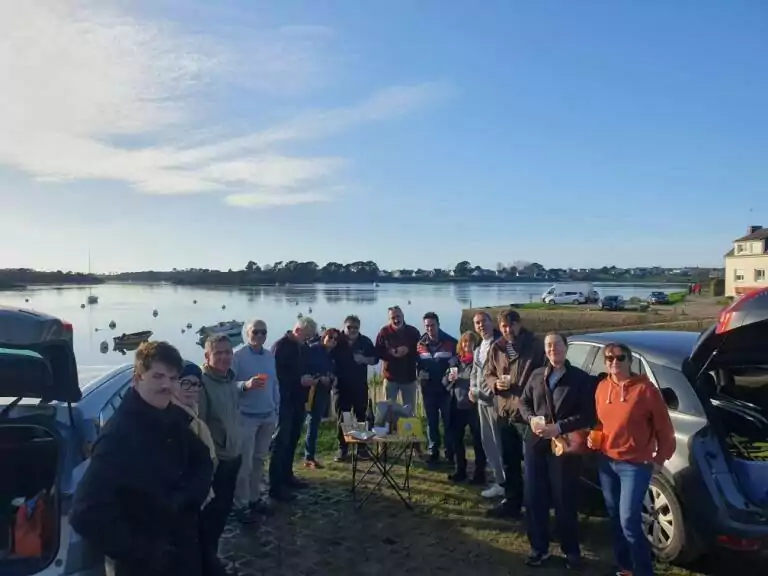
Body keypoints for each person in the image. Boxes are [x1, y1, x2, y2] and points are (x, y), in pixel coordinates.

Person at [70, 341, 213, 576]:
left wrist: (185, 499)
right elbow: (84, 512)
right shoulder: (118, 436)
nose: (166, 385)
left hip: (185, 549)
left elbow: (202, 459)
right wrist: (145, 551)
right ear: (137, 379)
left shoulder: (171, 418)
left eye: (173, 378)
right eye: (157, 376)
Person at [589, 342, 676, 576]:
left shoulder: (646, 390)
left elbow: (665, 429)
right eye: (609, 358)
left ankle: (644, 571)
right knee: (615, 517)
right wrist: (595, 436)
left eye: (620, 358)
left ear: (629, 361)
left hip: (635, 465)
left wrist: (660, 459)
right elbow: (602, 423)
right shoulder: (602, 388)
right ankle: (625, 568)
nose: (614, 362)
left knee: (628, 520)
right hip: (607, 462)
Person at [519, 333, 597, 569]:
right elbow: (523, 402)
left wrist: (560, 427)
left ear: (566, 347)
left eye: (557, 345)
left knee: (565, 498)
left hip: (565, 445)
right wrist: (531, 419)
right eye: (549, 345)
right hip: (536, 444)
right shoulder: (536, 375)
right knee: (534, 497)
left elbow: (588, 415)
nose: (553, 349)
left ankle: (571, 551)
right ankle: (539, 548)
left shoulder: (580, 379)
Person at [485, 308, 545, 519]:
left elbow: (543, 373)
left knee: (531, 465)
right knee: (509, 462)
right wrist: (495, 384)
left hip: (527, 414)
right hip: (504, 412)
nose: (508, 330)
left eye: (512, 325)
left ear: (519, 324)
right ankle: (512, 503)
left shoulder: (535, 346)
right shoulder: (497, 347)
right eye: (504, 326)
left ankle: (534, 507)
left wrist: (528, 390)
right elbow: (488, 373)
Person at [198, 335, 242, 576]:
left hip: (234, 456)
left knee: (223, 512)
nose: (225, 357)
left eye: (228, 352)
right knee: (210, 518)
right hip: (217, 463)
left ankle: (211, 557)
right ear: (207, 356)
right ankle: (207, 564)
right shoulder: (203, 384)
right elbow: (200, 427)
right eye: (218, 353)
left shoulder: (229, 379)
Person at [231, 320, 279, 523]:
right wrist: (246, 384)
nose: (260, 336)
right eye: (255, 332)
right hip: (246, 418)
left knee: (259, 461)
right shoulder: (237, 356)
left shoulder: (269, 356)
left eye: (263, 332)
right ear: (247, 333)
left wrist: (276, 410)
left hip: (268, 416)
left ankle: (254, 499)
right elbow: (228, 385)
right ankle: (240, 505)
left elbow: (274, 384)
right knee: (245, 465)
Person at [269, 318, 317, 501]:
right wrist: (299, 380)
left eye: (310, 337)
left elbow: (305, 367)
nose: (308, 340)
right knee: (281, 441)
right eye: (306, 336)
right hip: (284, 400)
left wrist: (310, 377)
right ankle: (276, 485)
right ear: (297, 330)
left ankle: (287, 476)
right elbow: (276, 376)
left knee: (293, 439)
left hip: (299, 400)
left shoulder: (302, 347)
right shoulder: (280, 347)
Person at [469, 311, 505, 499]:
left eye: (484, 321)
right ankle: (499, 482)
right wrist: (472, 389)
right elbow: (475, 372)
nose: (481, 325)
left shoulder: (500, 345)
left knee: (500, 444)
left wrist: (490, 392)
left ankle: (506, 483)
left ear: (492, 322)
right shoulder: (478, 349)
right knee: (488, 443)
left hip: (496, 402)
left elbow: (503, 373)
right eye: (477, 323)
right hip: (481, 402)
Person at [332, 315, 377, 462]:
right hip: (341, 386)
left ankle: (361, 448)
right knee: (344, 418)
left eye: (355, 328)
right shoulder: (336, 340)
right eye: (349, 327)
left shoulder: (365, 341)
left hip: (359, 385)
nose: (352, 330)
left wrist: (363, 359)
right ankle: (343, 448)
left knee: (361, 417)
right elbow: (326, 354)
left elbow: (375, 359)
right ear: (344, 327)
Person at [173, 362, 217, 509]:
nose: (192, 389)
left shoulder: (192, 413)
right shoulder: (174, 417)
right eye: (185, 383)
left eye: (197, 384)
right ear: (174, 383)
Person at [444, 330, 486, 483]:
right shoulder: (454, 361)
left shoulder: (479, 361)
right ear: (461, 344)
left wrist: (464, 379)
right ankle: (460, 470)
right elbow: (444, 381)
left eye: (470, 342)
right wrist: (449, 378)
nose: (467, 344)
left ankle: (479, 473)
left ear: (475, 344)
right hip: (456, 405)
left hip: (473, 406)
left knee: (477, 441)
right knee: (457, 440)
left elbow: (481, 381)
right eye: (465, 342)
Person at [416, 311, 458, 465]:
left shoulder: (451, 342)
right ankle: (433, 451)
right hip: (428, 390)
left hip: (446, 390)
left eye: (432, 325)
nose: (429, 328)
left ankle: (449, 452)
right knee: (431, 422)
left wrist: (453, 371)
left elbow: (459, 362)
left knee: (448, 422)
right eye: (427, 326)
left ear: (438, 325)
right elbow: (418, 365)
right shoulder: (420, 344)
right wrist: (420, 374)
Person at [303, 328, 339, 469]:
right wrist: (319, 377)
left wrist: (333, 378)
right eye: (330, 337)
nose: (333, 341)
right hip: (311, 392)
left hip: (324, 392)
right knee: (311, 423)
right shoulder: (314, 349)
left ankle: (309, 455)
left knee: (315, 423)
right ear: (324, 337)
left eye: (336, 339)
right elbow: (306, 367)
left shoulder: (332, 354)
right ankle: (308, 457)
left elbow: (332, 370)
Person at [375, 305, 421, 415]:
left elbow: (421, 352)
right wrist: (390, 352)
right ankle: (390, 426)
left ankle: (409, 426)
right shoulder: (384, 332)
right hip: (390, 378)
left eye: (398, 316)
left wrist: (408, 350)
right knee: (388, 411)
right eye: (393, 318)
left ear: (403, 316)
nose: (396, 320)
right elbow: (377, 352)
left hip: (409, 377)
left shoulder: (413, 331)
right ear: (389, 319)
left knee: (409, 411)